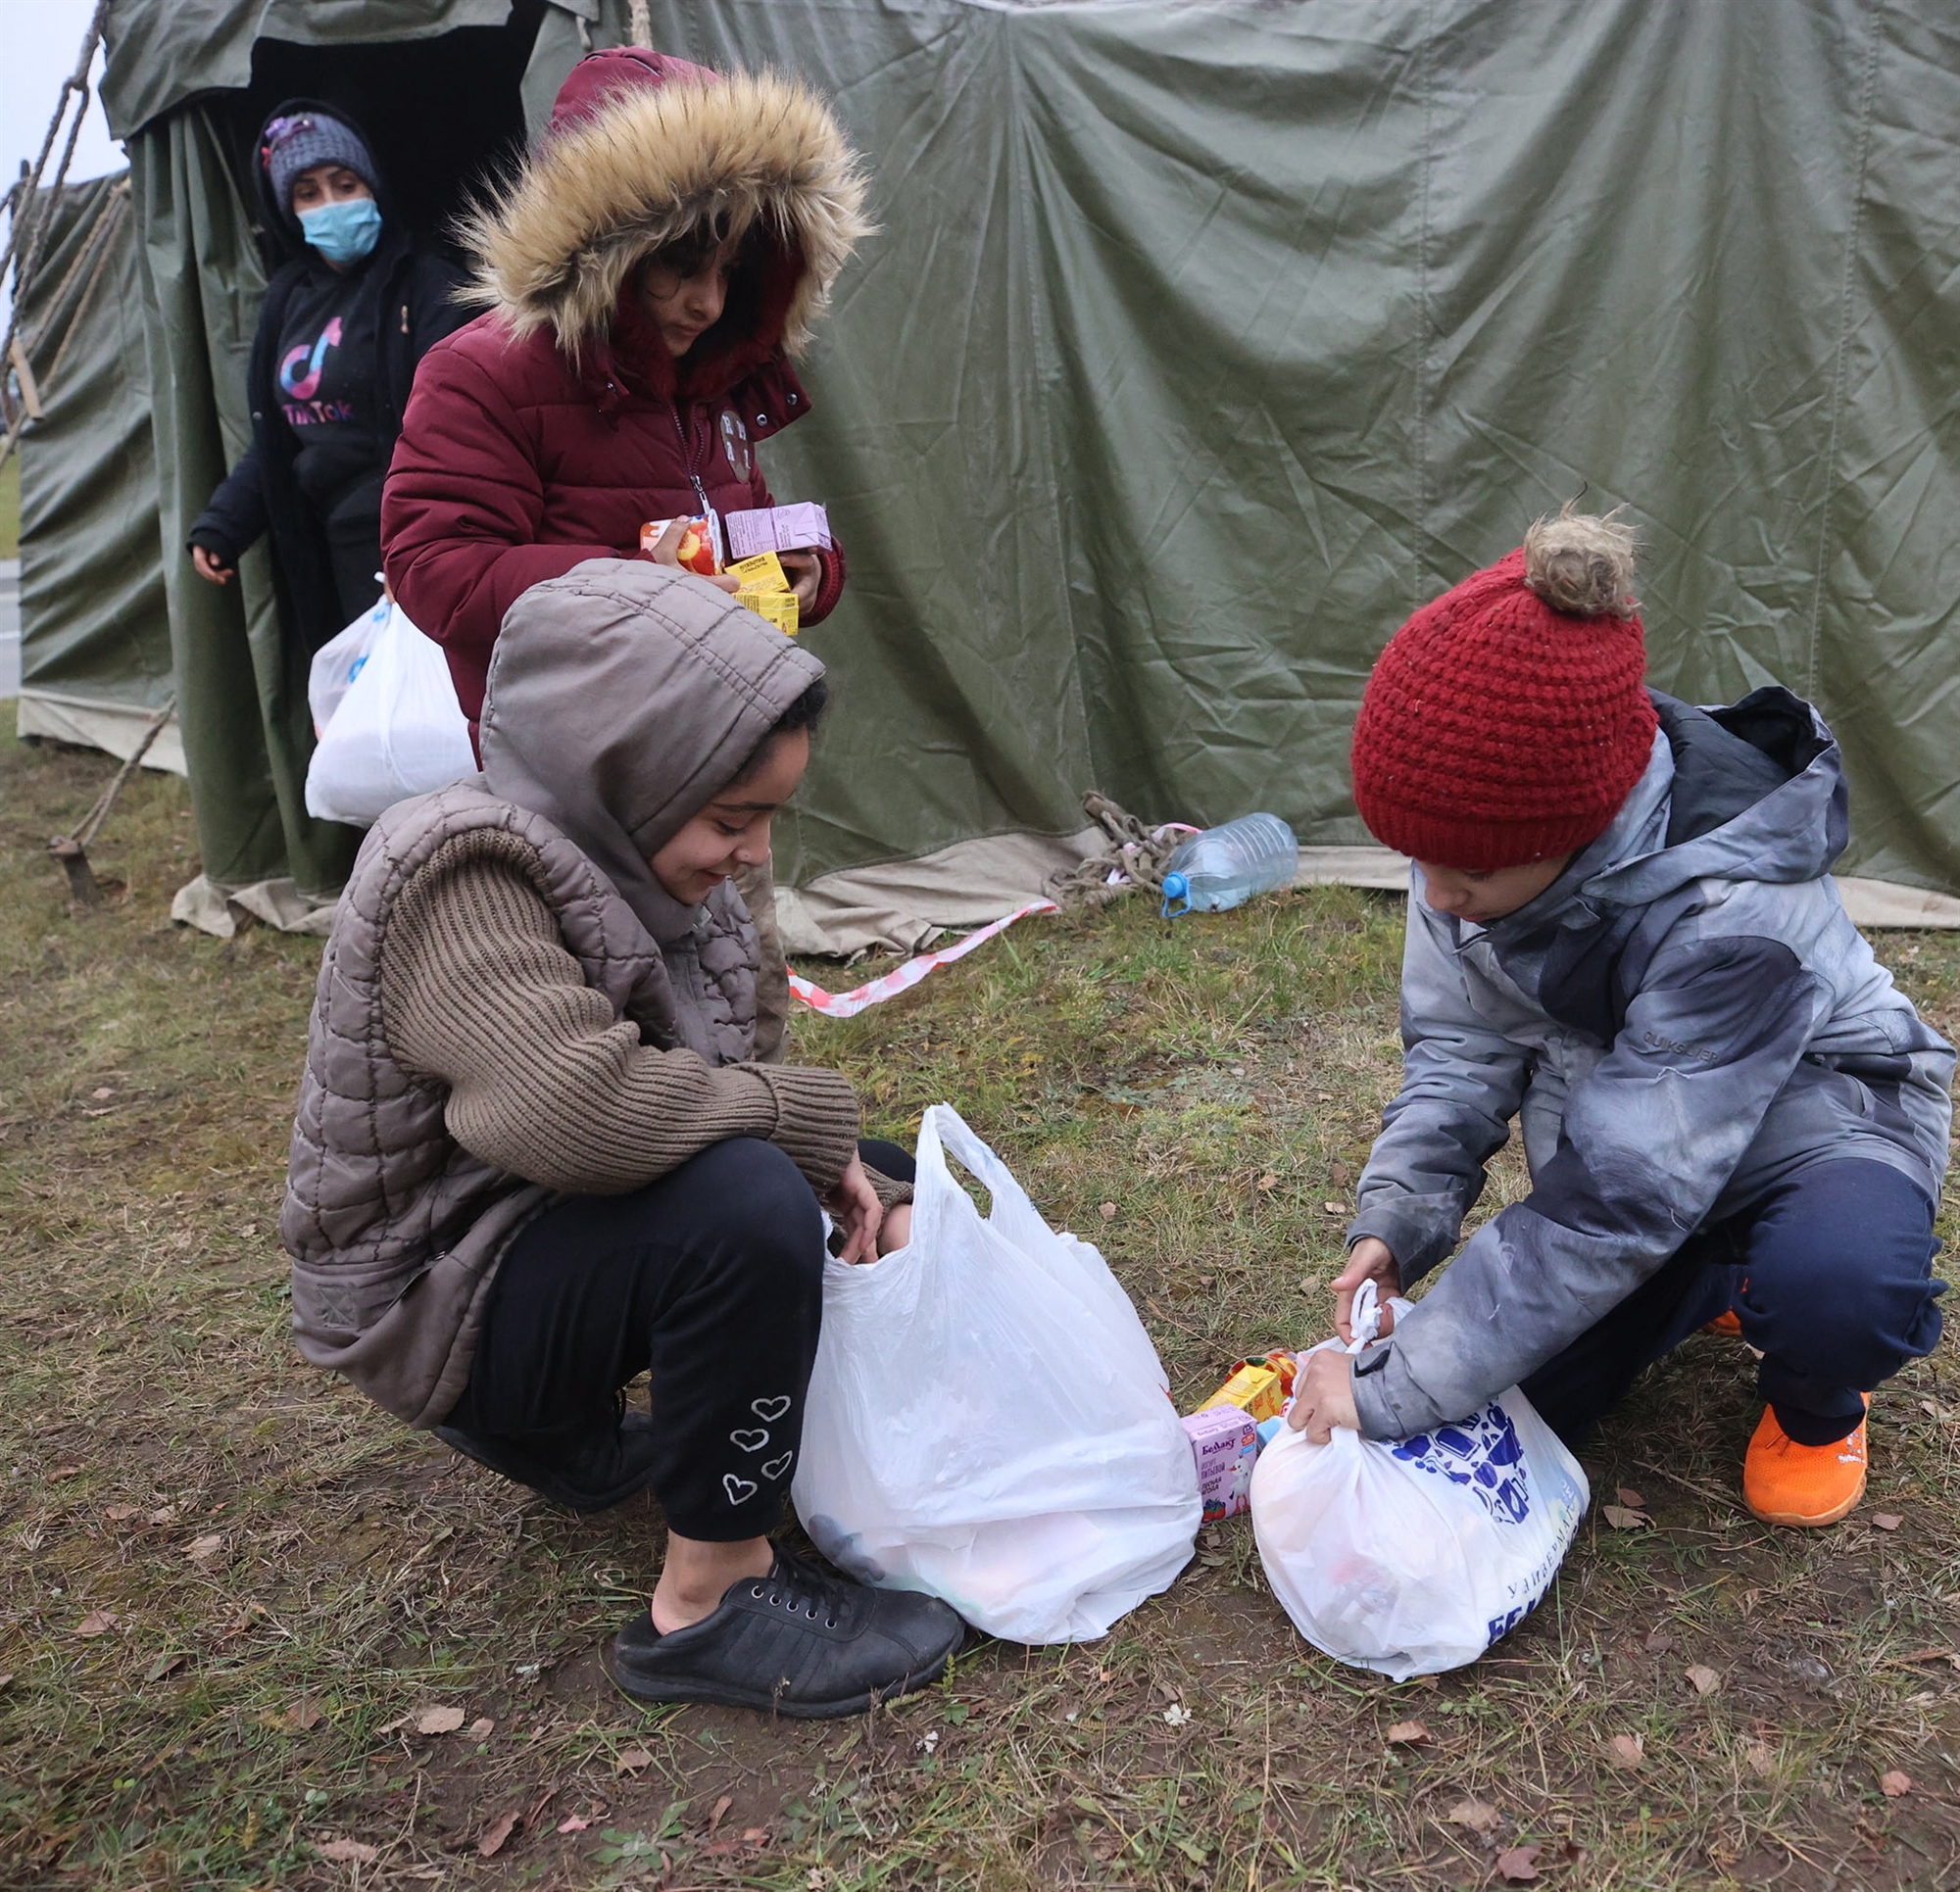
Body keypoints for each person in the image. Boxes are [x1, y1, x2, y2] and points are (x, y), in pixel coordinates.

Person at [280, 560, 963, 1716]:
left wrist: (852, 1182)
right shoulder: (458, 866)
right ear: (617, 776)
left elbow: (737, 1073)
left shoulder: (681, 876)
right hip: (435, 1290)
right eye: (730, 817)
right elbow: (575, 1110)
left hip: (538, 1223)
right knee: (747, 1204)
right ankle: (708, 1601)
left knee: (887, 1178)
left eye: (766, 820)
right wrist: (793, 1140)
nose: (753, 852)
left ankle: (591, 1435)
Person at [1286, 509, 1952, 1530]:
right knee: (1528, 1397)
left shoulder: (1732, 918)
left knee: (1835, 1284)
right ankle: (1708, 1278)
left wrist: (1384, 1389)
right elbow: (1460, 1045)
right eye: (1417, 862)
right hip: (1633, 1139)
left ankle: (1816, 1401)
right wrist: (1398, 1215)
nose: (1435, 894)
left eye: (1465, 872)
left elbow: (1617, 1201)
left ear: (1574, 830)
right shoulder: (1476, 845)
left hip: (1814, 1127)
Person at [380, 47, 869, 745]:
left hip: (722, 743)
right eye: (681, 263)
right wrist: (633, 588)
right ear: (600, 244)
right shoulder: (482, 370)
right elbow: (438, 570)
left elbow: (738, 522)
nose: (709, 302)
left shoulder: (704, 378)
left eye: (730, 269)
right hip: (575, 765)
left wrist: (810, 571)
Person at [187, 104, 468, 647]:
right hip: (329, 547)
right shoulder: (287, 300)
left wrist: (417, 553)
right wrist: (225, 522)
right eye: (308, 194)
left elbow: (458, 430)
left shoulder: (429, 286)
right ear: (287, 210)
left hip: (421, 539)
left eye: (345, 184)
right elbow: (278, 434)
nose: (331, 205)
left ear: (373, 186)